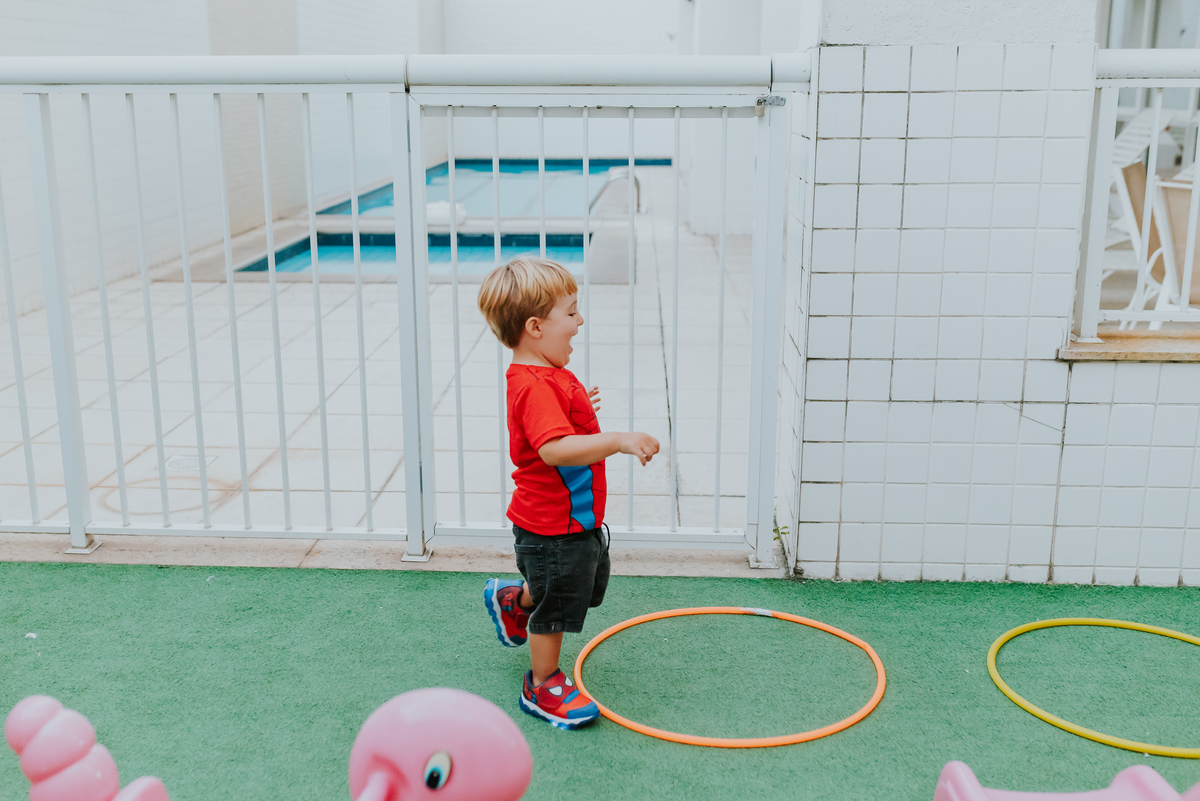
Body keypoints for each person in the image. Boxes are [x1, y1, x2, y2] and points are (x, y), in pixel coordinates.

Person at [477, 257, 660, 730]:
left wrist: (574, 404)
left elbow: (557, 422)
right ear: (536, 327)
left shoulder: (547, 378)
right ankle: (543, 683)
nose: (581, 323)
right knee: (558, 605)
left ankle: (515, 601)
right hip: (552, 526)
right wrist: (618, 440)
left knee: (580, 588)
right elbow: (555, 449)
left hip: (570, 523)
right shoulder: (535, 386)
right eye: (572, 313)